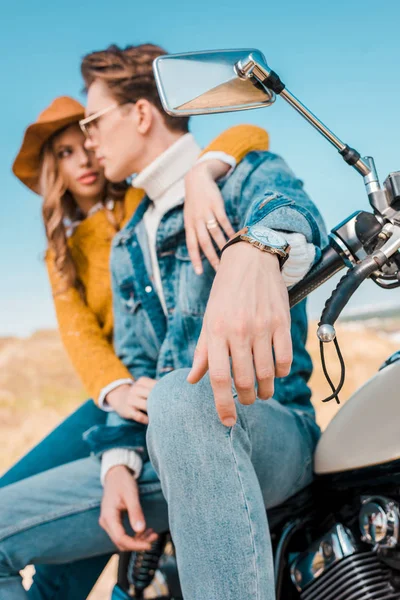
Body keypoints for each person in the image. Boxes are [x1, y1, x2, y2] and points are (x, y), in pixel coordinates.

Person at [1, 93, 270, 599]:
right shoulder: (61, 252)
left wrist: (202, 172)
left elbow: (250, 136)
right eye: (63, 153)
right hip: (120, 390)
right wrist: (115, 389)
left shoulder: (139, 203)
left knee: (72, 553)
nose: (81, 159)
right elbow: (79, 335)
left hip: (173, 380)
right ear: (52, 169)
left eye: (85, 144)